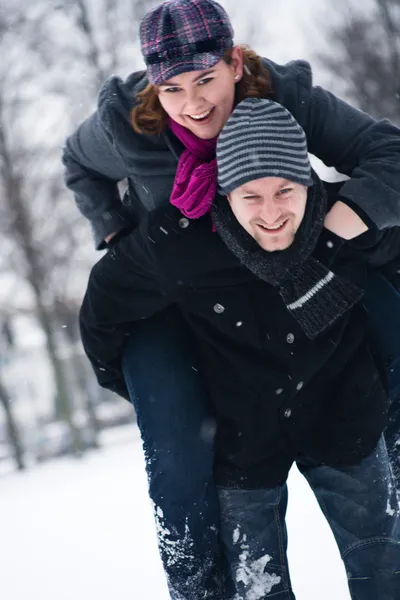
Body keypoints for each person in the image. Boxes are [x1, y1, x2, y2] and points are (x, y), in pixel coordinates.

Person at [62, 1, 400, 596]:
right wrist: (114, 231)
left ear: (235, 63)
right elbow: (78, 164)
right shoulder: (125, 121)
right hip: (174, 288)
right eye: (171, 88)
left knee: (383, 335)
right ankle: (202, 584)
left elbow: (390, 152)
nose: (192, 104)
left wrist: (338, 224)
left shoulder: (286, 100)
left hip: (293, 255)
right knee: (176, 455)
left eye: (206, 80)